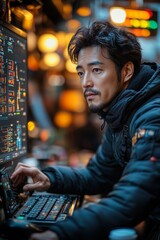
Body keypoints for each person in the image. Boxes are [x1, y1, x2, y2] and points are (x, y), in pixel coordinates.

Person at [11, 20, 160, 240]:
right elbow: (98, 175)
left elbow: (132, 198)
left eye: (97, 70)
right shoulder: (121, 112)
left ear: (127, 70)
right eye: (81, 73)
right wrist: (49, 178)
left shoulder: (152, 116)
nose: (86, 83)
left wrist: (60, 233)